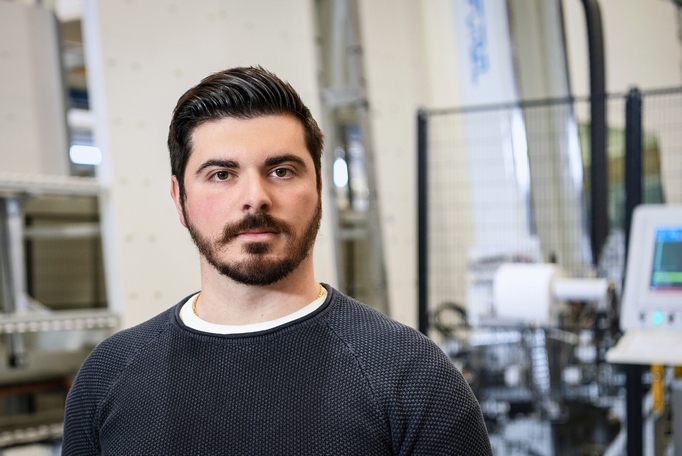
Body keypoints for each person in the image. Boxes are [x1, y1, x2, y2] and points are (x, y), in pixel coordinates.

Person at [62, 66, 492, 455]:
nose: (255, 198)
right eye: (221, 174)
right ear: (180, 200)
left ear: (319, 188)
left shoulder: (412, 375)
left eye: (281, 171)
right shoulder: (108, 375)